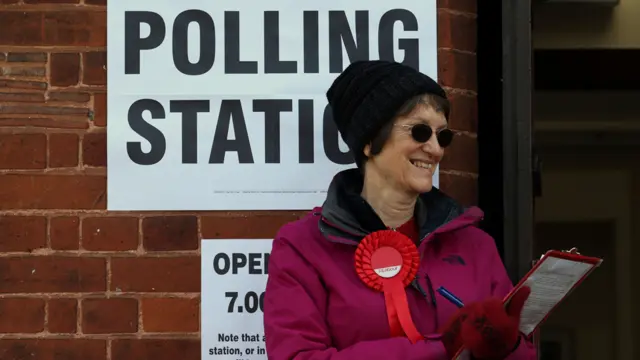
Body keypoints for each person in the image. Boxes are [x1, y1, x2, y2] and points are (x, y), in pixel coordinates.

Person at [263, 60, 537, 360]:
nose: (436, 149)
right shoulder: (303, 246)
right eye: (420, 132)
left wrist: (508, 346)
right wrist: (440, 348)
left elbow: (522, 353)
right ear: (369, 141)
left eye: (442, 135)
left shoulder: (475, 246)